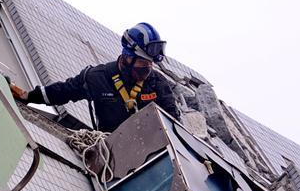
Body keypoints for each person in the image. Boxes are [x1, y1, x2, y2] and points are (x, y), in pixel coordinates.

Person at [10, 23, 179, 132]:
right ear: (127, 57)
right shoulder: (97, 78)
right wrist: (28, 96)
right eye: (143, 62)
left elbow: (174, 124)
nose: (147, 69)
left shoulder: (158, 84)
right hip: (113, 155)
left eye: (150, 64)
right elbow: (63, 91)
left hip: (154, 153)